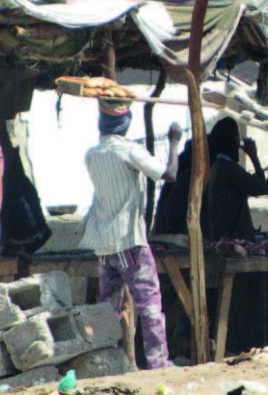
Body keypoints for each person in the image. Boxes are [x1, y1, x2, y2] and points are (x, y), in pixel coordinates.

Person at [80, 99, 181, 369]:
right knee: (149, 305)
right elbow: (169, 174)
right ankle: (158, 363)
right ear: (125, 123)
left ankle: (106, 363)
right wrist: (174, 142)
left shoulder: (92, 154)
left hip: (104, 245)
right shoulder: (129, 151)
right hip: (129, 242)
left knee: (109, 308)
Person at [205, 117, 267, 241]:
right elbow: (261, 187)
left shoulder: (217, 167)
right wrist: (254, 156)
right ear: (232, 140)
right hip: (234, 240)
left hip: (223, 236)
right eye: (237, 137)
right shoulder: (230, 170)